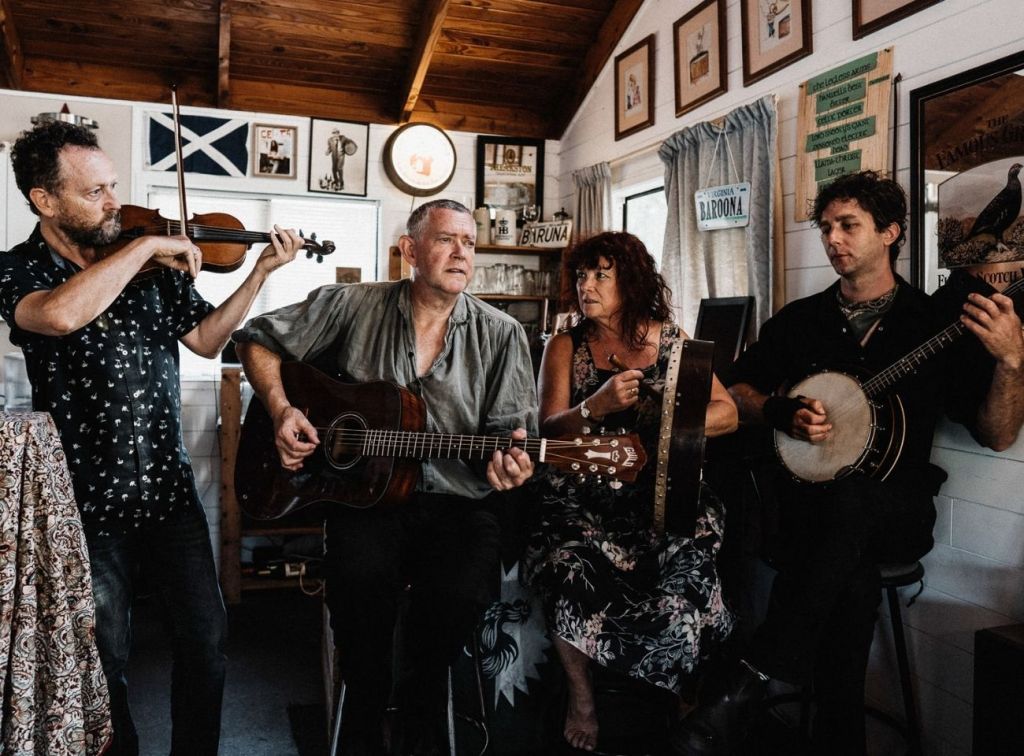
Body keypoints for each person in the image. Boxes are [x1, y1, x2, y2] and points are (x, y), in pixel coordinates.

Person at [674, 171, 1024, 755]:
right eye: (826, 227)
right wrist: (781, 411)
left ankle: (748, 680)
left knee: (852, 503)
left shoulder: (936, 324)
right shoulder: (800, 321)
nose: (833, 238)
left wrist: (1012, 361)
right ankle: (837, 740)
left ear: (890, 232)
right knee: (850, 577)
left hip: (897, 510)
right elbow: (735, 391)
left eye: (848, 225)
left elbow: (997, 433)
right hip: (806, 516)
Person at [0, 120, 304, 755]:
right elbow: (57, 315)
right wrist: (140, 251)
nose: (114, 202)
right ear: (44, 200)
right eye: (95, 193)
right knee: (104, 657)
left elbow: (206, 339)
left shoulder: (153, 266)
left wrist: (260, 274)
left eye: (114, 186)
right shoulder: (18, 270)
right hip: (83, 505)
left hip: (169, 495)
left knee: (206, 642)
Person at [233, 198, 538, 756]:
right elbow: (256, 339)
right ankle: (366, 712)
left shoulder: (502, 335)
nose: (461, 253)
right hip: (365, 502)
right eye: (447, 240)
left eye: (469, 243)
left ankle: (421, 707)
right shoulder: (352, 304)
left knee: (459, 595)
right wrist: (280, 409)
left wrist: (511, 468)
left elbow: (510, 437)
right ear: (410, 250)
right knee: (358, 588)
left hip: (457, 505)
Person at [521, 231, 738, 753]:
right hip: (583, 498)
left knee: (691, 563)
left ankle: (682, 696)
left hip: (658, 495)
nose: (586, 285)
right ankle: (583, 698)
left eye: (601, 275)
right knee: (563, 563)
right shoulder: (564, 344)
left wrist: (666, 424)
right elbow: (547, 430)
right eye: (581, 275)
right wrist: (593, 406)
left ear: (631, 282)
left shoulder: (670, 341)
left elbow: (726, 413)